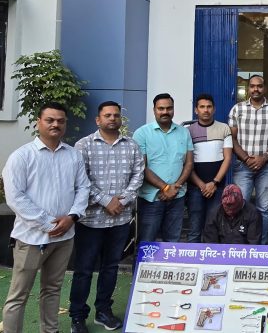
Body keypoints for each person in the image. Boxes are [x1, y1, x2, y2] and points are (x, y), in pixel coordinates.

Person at [1, 102, 90, 333]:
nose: (55, 124)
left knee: (52, 289)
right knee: (18, 295)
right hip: (32, 239)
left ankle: (50, 330)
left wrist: (72, 217)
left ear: (65, 124)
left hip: (64, 237)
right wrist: (48, 223)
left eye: (60, 120)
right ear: (38, 123)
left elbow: (83, 188)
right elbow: (15, 197)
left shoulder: (73, 155)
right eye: (50, 120)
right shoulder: (21, 157)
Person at [69, 101, 144, 333]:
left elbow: (138, 176)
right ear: (98, 120)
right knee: (84, 270)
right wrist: (105, 200)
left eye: (116, 115)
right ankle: (78, 317)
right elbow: (80, 180)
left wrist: (121, 201)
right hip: (90, 221)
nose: (112, 118)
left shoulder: (131, 146)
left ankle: (103, 311)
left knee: (110, 268)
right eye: (107, 115)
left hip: (119, 220)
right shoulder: (83, 146)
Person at [229, 75, 268, 245]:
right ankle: (240, 244)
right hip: (242, 166)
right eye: (252, 86)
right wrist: (246, 158)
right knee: (240, 205)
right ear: (248, 88)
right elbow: (232, 139)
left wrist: (265, 157)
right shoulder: (237, 109)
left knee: (263, 209)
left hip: (266, 166)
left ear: (264, 88)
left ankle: (261, 245)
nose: (256, 89)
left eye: (259, 86)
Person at [133, 93, 194, 242]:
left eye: (169, 108)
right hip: (151, 199)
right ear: (154, 110)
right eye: (161, 108)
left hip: (177, 197)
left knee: (172, 243)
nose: (165, 112)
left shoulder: (184, 132)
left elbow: (189, 163)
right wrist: (165, 188)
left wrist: (175, 187)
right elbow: (141, 167)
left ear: (173, 109)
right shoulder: (142, 133)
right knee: (147, 243)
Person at [186, 93, 232, 242]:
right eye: (202, 107)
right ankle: (193, 256)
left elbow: (227, 158)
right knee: (194, 229)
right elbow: (187, 163)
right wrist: (201, 185)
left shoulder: (224, 128)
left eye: (209, 106)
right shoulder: (188, 132)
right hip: (195, 188)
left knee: (215, 228)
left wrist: (214, 182)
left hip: (217, 187)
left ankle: (212, 256)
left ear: (214, 109)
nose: (206, 110)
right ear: (196, 110)